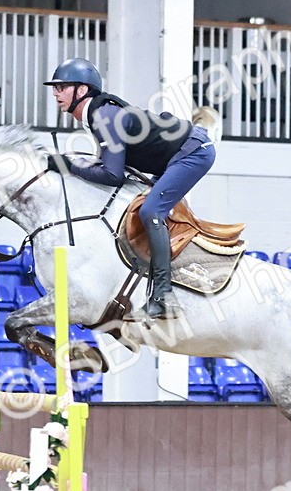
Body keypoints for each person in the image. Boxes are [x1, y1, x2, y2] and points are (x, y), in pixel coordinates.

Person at [43, 57, 216, 322]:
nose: (56, 93)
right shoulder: (95, 115)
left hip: (193, 152)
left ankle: (163, 296)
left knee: (151, 212)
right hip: (176, 154)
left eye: (62, 86)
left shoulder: (103, 115)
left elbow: (112, 175)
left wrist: (68, 166)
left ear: (82, 90)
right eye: (55, 87)